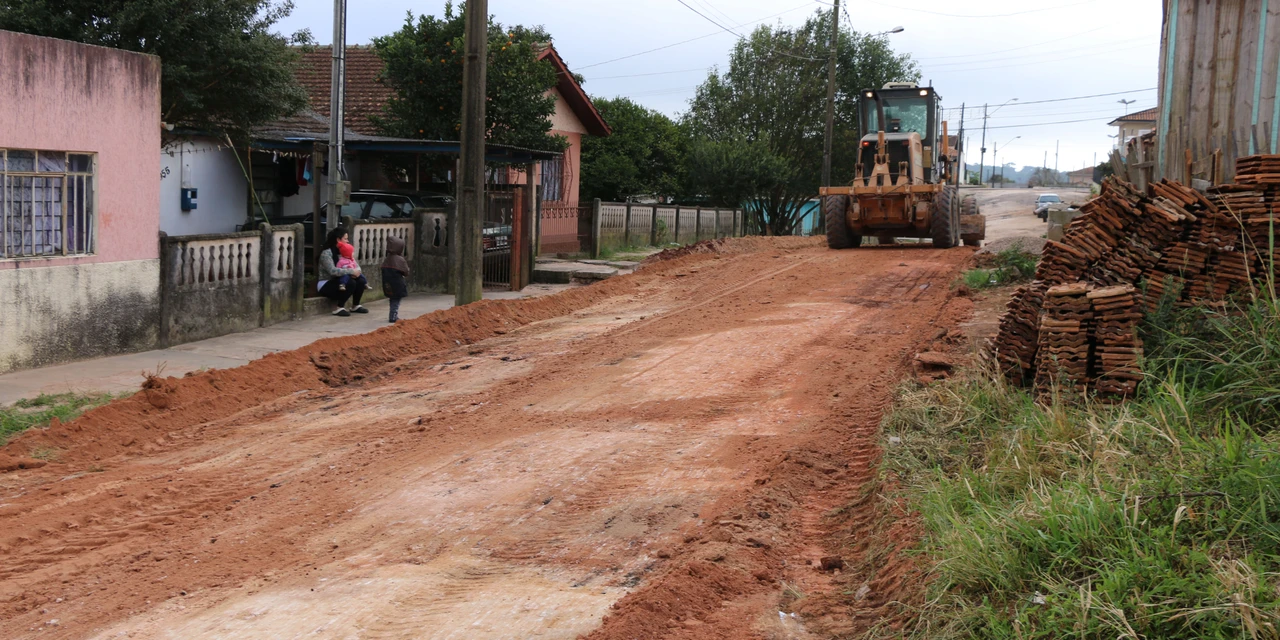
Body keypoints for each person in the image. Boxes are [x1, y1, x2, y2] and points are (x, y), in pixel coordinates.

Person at [317, 227, 370, 317]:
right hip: (326, 283)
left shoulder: (345, 251)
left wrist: (356, 272)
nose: (347, 241)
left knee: (360, 281)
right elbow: (332, 271)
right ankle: (339, 307)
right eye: (345, 239)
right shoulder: (326, 253)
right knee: (351, 282)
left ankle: (355, 305)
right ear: (338, 240)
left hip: (341, 280)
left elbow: (356, 267)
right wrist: (350, 271)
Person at [381, 235, 410, 323]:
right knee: (396, 301)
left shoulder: (387, 259)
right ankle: (393, 316)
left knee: (392, 300)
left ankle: (392, 314)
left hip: (387, 284)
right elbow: (406, 271)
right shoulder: (400, 259)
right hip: (398, 285)